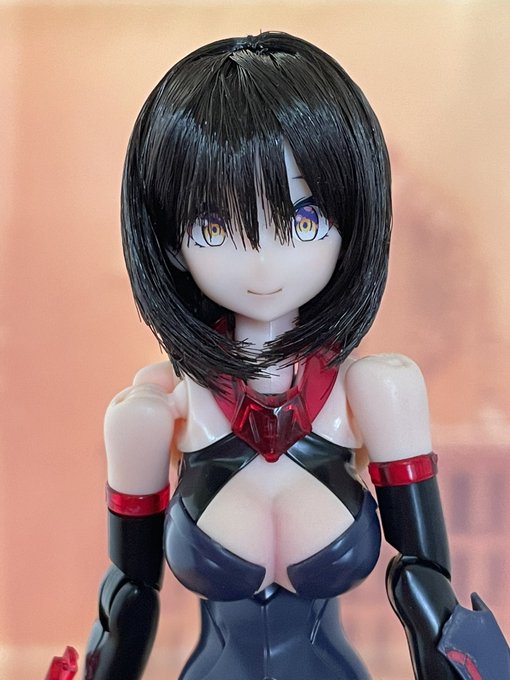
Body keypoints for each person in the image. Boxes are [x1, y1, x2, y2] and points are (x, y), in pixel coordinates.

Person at [48, 32, 509, 680]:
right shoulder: (152, 413)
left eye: (304, 220)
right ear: (171, 241)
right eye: (215, 226)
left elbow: (426, 583)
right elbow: (129, 596)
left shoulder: (376, 393)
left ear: (351, 222)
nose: (264, 261)